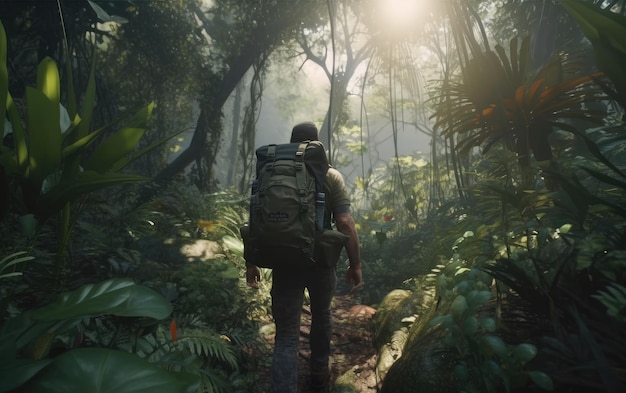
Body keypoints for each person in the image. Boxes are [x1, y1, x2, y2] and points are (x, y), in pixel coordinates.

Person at [245, 121, 363, 392]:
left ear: (293, 142)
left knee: (286, 336)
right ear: (316, 143)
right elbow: (344, 222)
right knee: (322, 315)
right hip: (321, 262)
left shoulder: (270, 173)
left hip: (283, 261)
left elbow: (256, 218)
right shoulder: (330, 175)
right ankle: (320, 374)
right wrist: (355, 264)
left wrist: (251, 262)